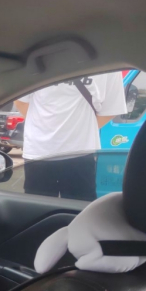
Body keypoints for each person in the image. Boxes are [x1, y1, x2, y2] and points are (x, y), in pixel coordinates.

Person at [15, 71, 127, 201]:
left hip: (81, 154)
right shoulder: (38, 58)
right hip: (40, 154)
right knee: (38, 209)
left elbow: (111, 108)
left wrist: (81, 129)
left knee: (77, 210)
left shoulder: (110, 66)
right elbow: (20, 100)